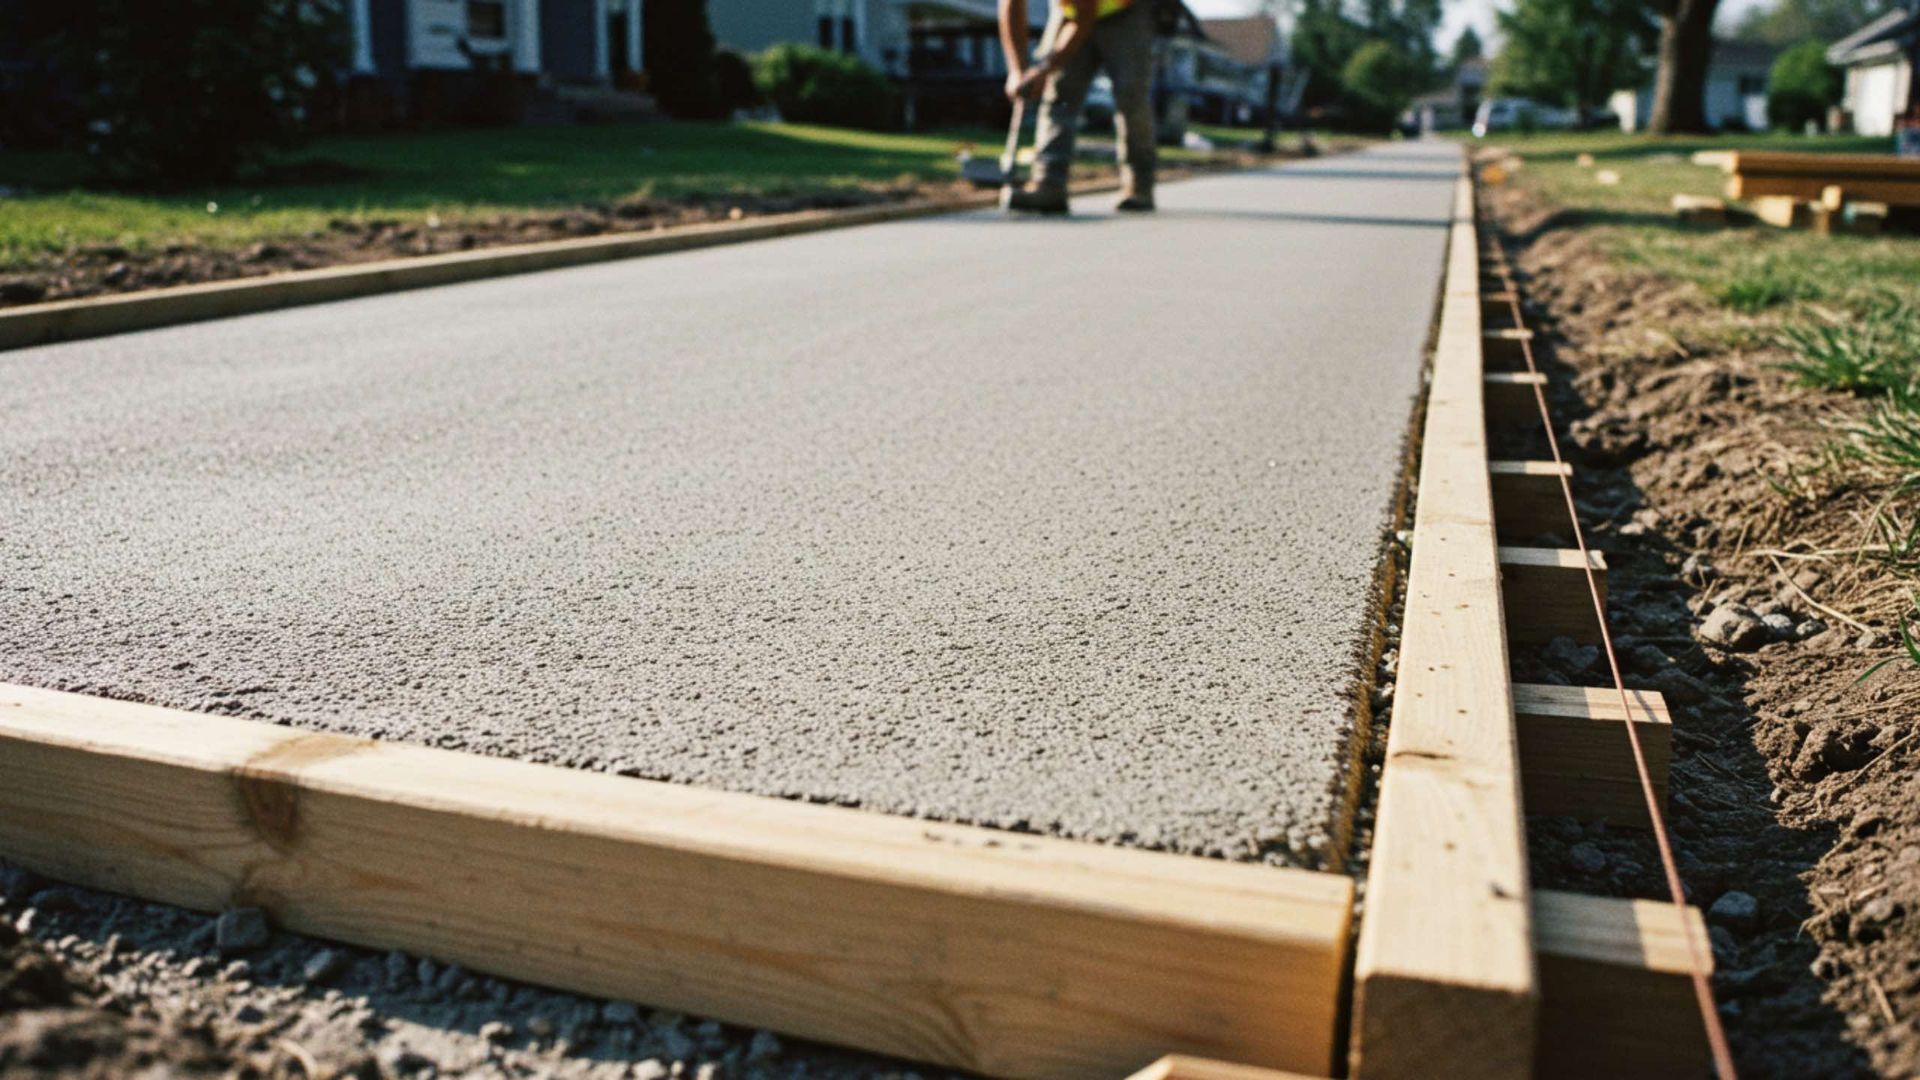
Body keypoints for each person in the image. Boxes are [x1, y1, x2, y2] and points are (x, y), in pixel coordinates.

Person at [997, 0, 1157, 214]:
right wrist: (1017, 70)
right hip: (1069, 9)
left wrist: (1045, 68)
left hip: (1124, 11)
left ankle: (1139, 185)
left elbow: (1084, 18)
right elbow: (1010, 7)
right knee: (1059, 92)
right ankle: (1049, 183)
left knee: (1131, 95)